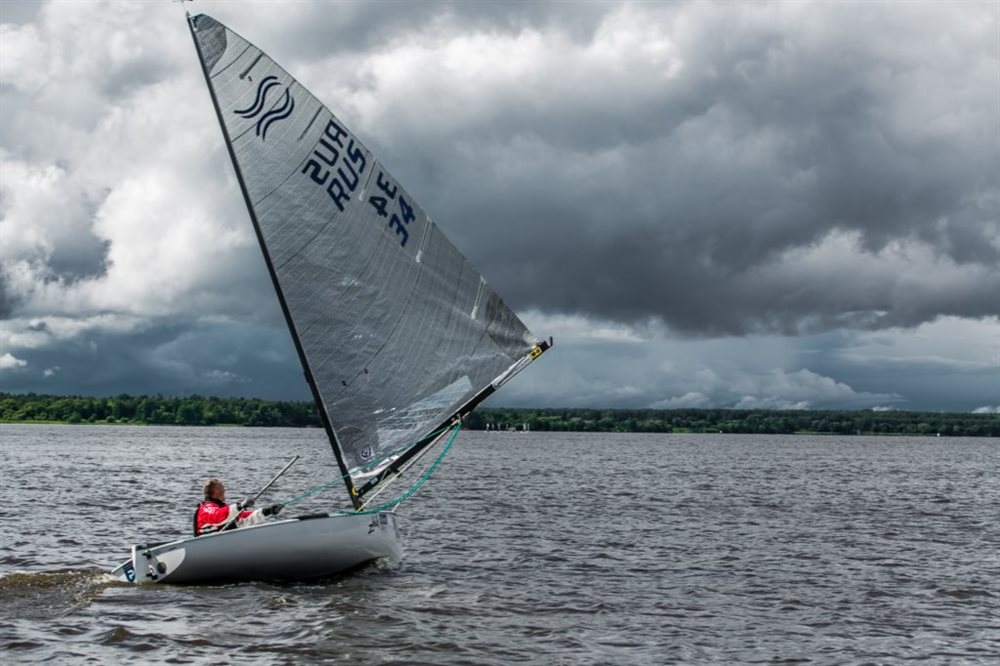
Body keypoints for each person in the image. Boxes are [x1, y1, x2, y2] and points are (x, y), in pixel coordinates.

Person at [194, 477, 284, 536]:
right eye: (223, 489)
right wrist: (240, 506)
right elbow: (217, 516)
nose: (224, 492)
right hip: (207, 545)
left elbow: (245, 518)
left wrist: (267, 511)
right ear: (217, 492)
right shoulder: (206, 508)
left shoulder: (224, 511)